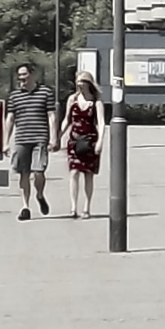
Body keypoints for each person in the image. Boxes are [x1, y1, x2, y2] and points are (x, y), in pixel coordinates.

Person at [5, 62, 54, 220]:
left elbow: (51, 116)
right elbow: (10, 118)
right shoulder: (14, 96)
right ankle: (25, 207)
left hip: (40, 138)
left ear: (32, 74)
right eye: (19, 75)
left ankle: (39, 194)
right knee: (23, 173)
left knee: (39, 171)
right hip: (22, 139)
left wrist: (54, 137)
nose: (21, 78)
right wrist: (6, 142)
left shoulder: (45, 92)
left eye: (24, 74)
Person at [58, 70, 103, 219]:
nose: (80, 84)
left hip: (90, 141)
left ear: (89, 83)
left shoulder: (96, 102)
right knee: (74, 172)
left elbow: (101, 123)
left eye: (82, 81)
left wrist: (100, 142)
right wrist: (58, 137)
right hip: (74, 141)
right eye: (78, 81)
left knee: (88, 174)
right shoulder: (72, 100)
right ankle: (73, 207)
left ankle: (87, 207)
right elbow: (67, 120)